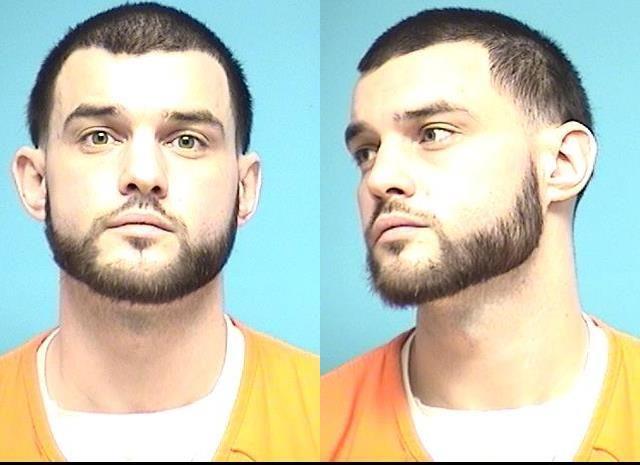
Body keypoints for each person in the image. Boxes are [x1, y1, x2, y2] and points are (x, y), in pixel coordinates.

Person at [0, 2, 318, 461]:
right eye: (99, 137)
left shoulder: (324, 419)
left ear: (244, 189)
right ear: (36, 181)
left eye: (187, 140)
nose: (144, 174)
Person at [321, 7, 640, 461]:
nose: (379, 177)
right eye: (366, 152)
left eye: (434, 133)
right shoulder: (312, 429)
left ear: (561, 164)